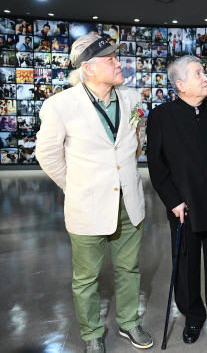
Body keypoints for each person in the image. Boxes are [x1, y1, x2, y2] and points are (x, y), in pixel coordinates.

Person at [36, 35, 151, 353]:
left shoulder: (131, 98)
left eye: (118, 57)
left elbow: (135, 138)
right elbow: (48, 156)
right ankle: (91, 332)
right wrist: (74, 186)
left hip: (129, 200)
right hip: (87, 205)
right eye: (110, 59)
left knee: (129, 267)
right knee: (86, 277)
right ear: (87, 68)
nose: (119, 63)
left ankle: (129, 323)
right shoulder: (60, 105)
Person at [147, 56, 207, 345]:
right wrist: (173, 200)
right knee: (185, 264)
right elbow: (156, 166)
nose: (206, 76)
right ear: (181, 84)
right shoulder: (161, 117)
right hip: (183, 206)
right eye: (198, 73)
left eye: (203, 71)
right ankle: (193, 316)